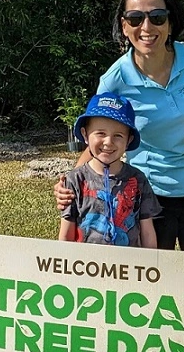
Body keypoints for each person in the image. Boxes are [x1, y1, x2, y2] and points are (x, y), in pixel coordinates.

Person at [55, 0, 184, 252]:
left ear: (170, 23)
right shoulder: (114, 81)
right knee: (158, 279)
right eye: (135, 19)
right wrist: (71, 183)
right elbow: (98, 142)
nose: (147, 28)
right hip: (149, 196)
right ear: (124, 27)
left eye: (157, 17)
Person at [59, 93, 161, 248]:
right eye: (100, 133)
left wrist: (152, 265)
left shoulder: (138, 179)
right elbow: (66, 234)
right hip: (85, 267)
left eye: (118, 135)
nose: (108, 142)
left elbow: (147, 232)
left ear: (129, 140)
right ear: (85, 134)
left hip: (129, 268)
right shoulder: (74, 180)